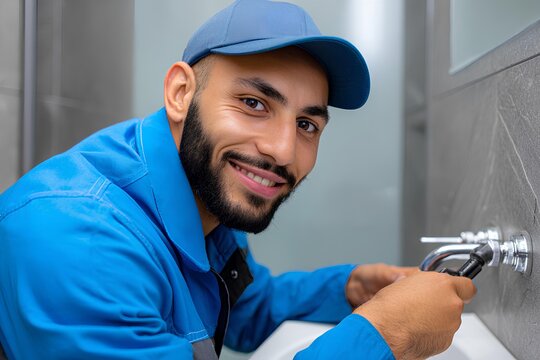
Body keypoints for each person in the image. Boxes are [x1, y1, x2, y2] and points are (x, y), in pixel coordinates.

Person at [0, 0, 476, 359]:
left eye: (307, 124)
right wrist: (388, 333)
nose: (283, 150)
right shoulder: (79, 241)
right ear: (181, 93)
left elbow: (247, 308)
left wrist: (350, 288)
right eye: (253, 104)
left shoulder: (200, 192)